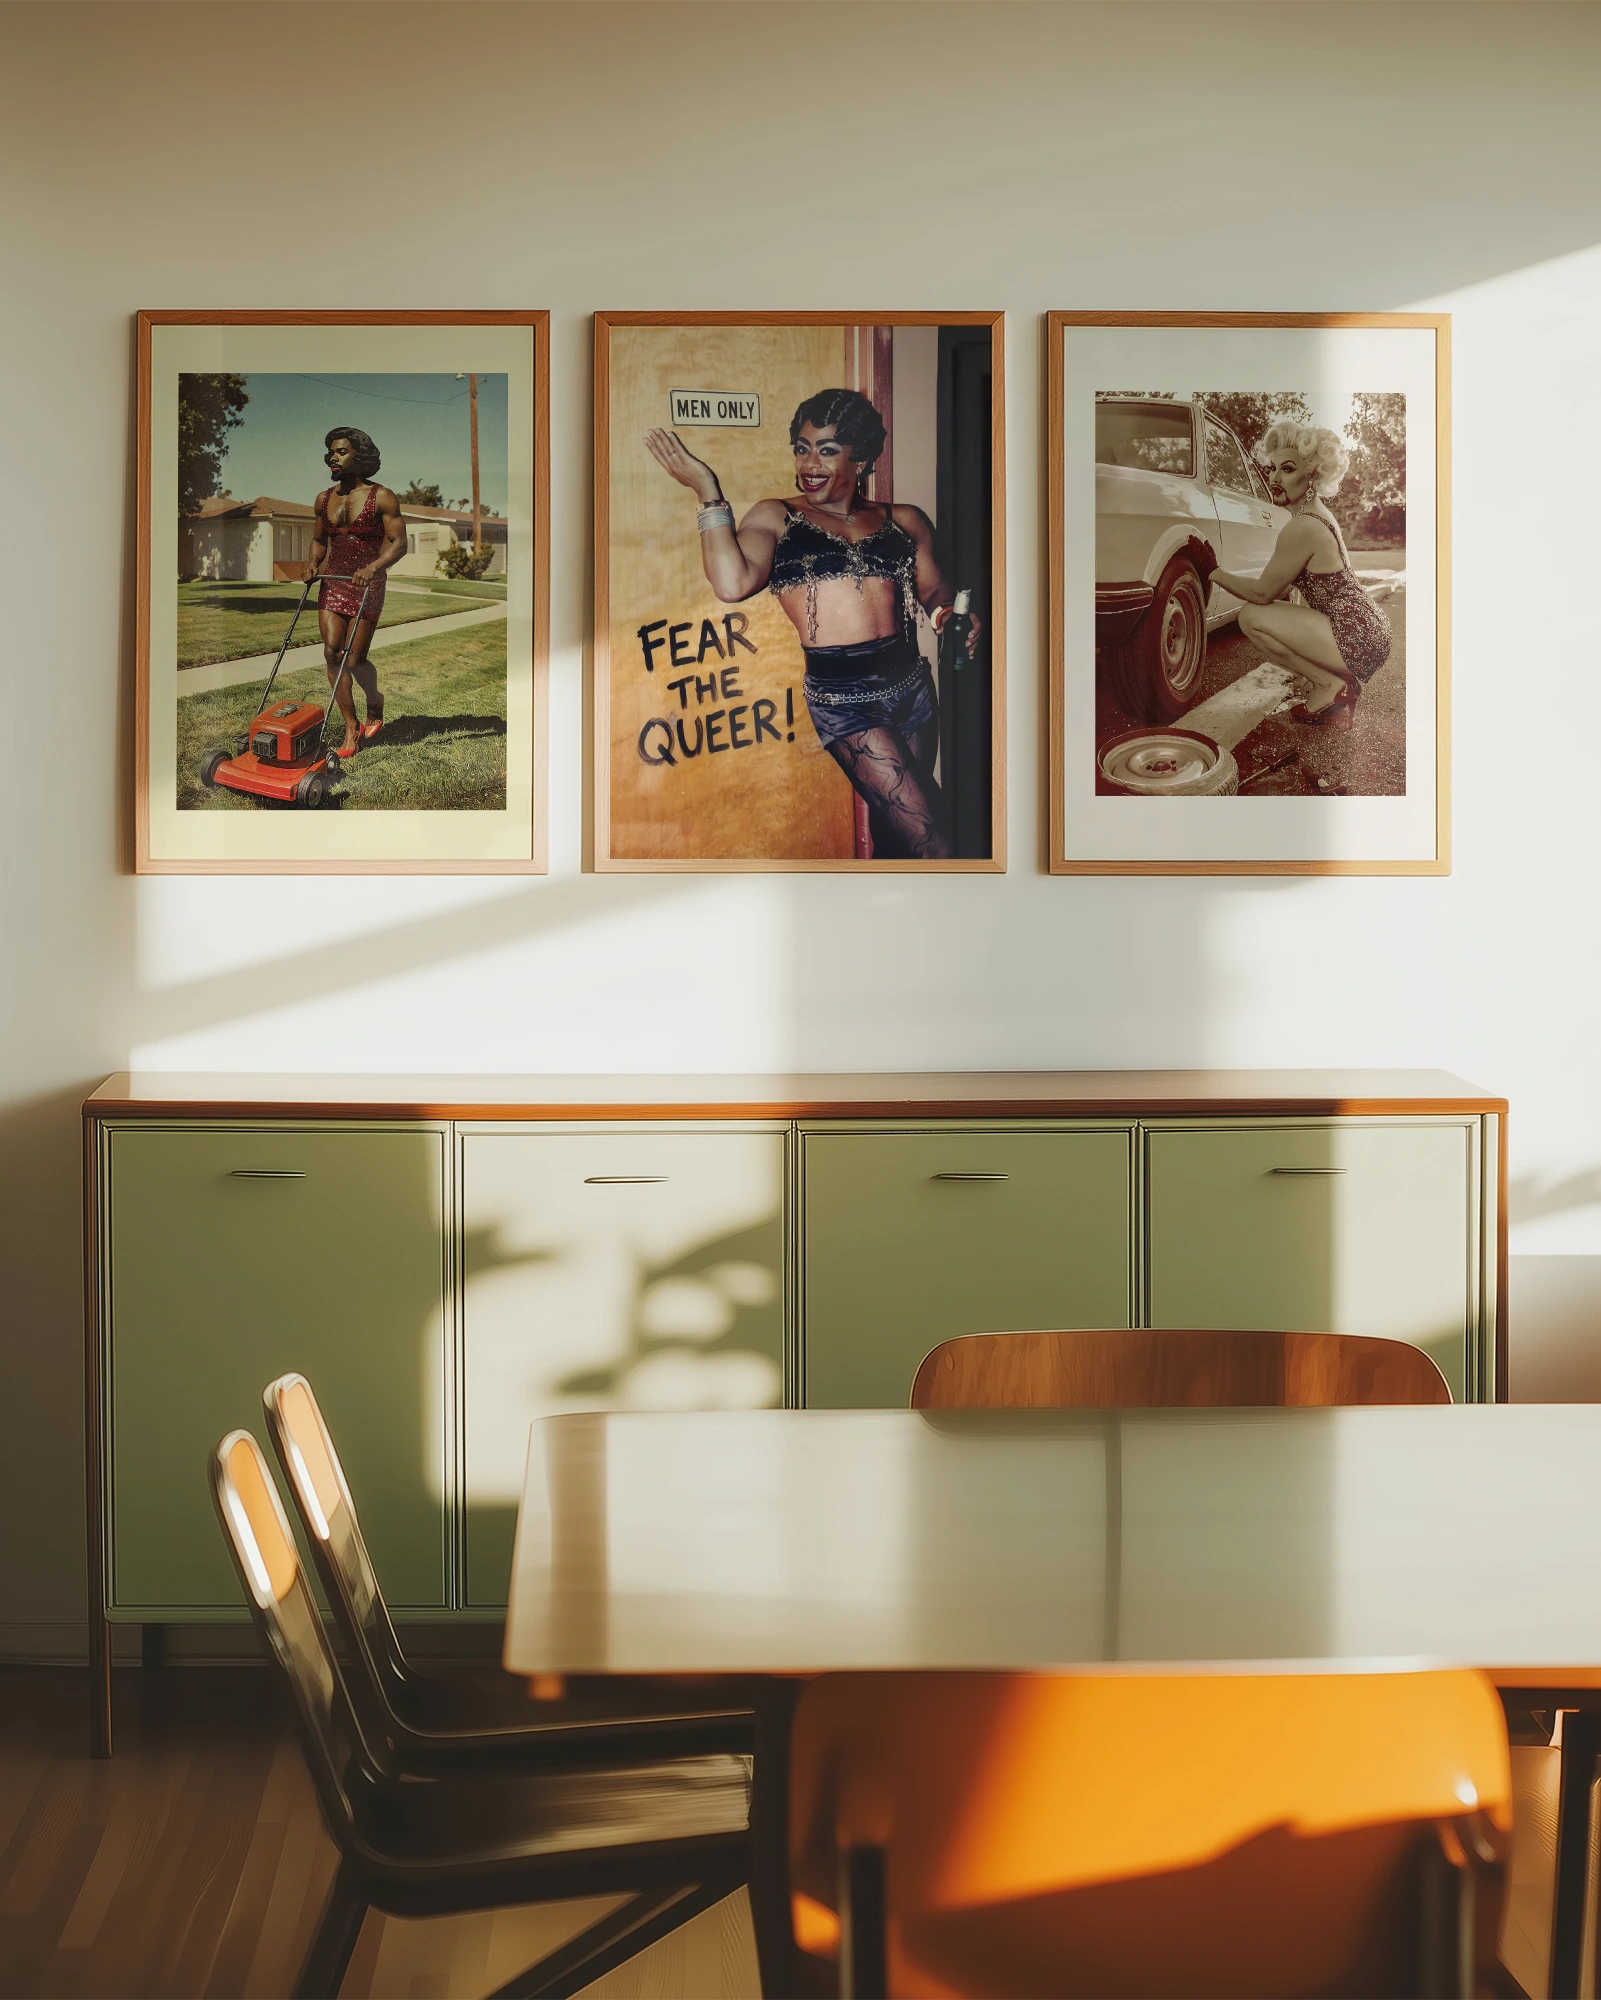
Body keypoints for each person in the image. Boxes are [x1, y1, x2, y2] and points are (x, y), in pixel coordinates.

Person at [645, 388, 980, 859]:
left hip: (913, 689)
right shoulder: (778, 515)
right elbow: (732, 582)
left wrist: (949, 617)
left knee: (897, 836)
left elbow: (935, 590)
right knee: (935, 841)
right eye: (802, 448)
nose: (809, 463)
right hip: (845, 701)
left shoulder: (904, 519)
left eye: (826, 450)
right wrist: (707, 490)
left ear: (858, 457)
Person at [1207, 421, 1390, 729]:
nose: (1275, 478)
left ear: (1312, 475)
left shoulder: (1303, 526)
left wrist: (1212, 571)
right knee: (1266, 613)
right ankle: (1335, 683)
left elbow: (1263, 594)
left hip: (1356, 634)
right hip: (1366, 629)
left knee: (1251, 616)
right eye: (1272, 468)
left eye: (1288, 469)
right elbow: (1280, 593)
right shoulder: (1318, 514)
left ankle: (1329, 686)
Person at [306, 427, 406, 758]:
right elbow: (320, 541)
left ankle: (374, 700)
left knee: (354, 658)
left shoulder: (383, 497)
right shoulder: (323, 499)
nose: (332, 457)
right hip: (333, 581)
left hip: (368, 583)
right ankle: (352, 727)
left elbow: (399, 543)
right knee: (333, 654)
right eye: (330, 453)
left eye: (340, 452)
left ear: (359, 457)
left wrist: (373, 568)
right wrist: (312, 564)